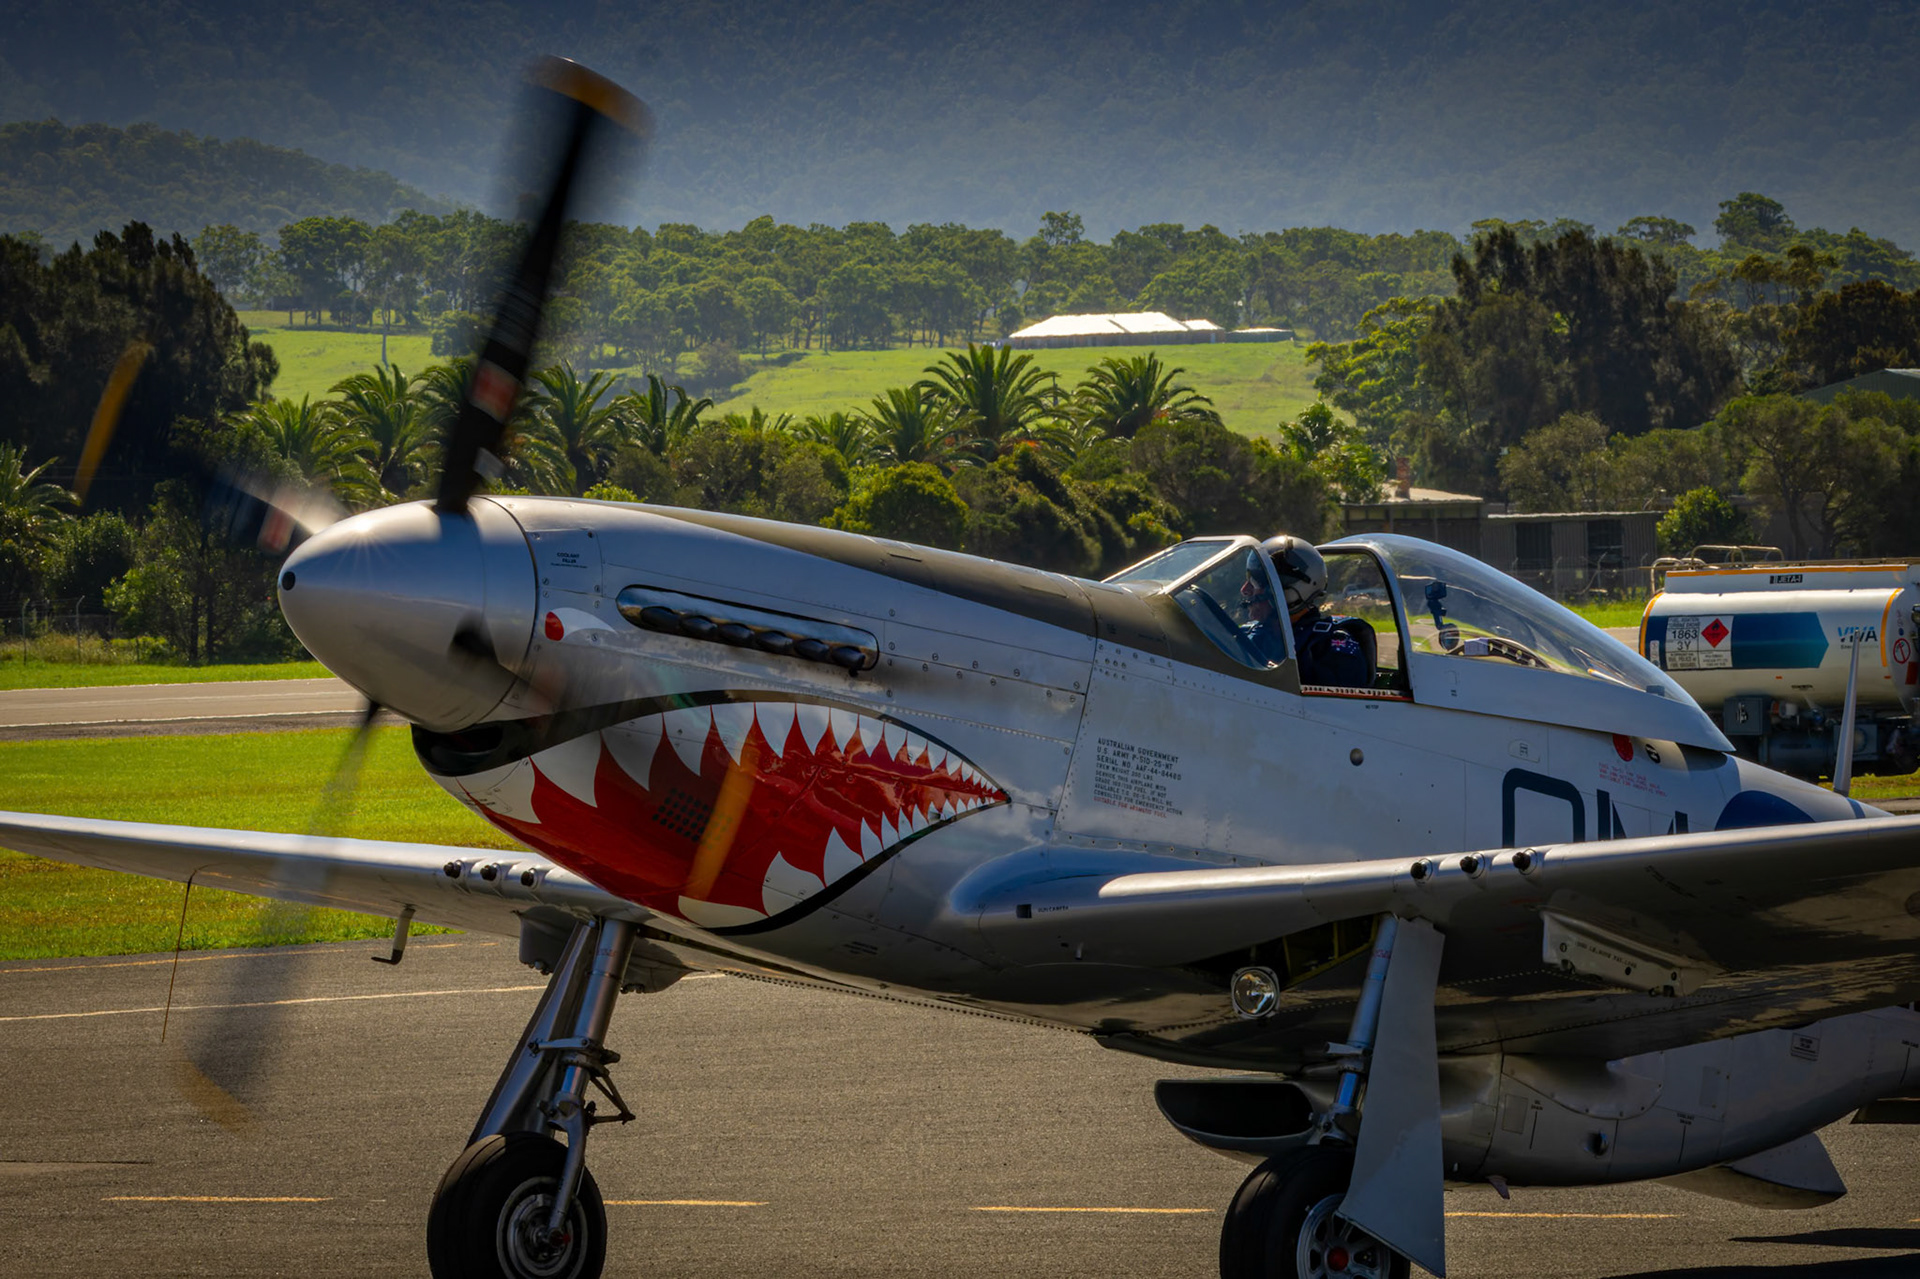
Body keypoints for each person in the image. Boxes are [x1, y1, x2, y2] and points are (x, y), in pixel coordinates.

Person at [1264, 535, 1372, 689]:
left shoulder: (1332, 647)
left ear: (1289, 590)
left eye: (1259, 583)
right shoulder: (1248, 635)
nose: (1245, 590)